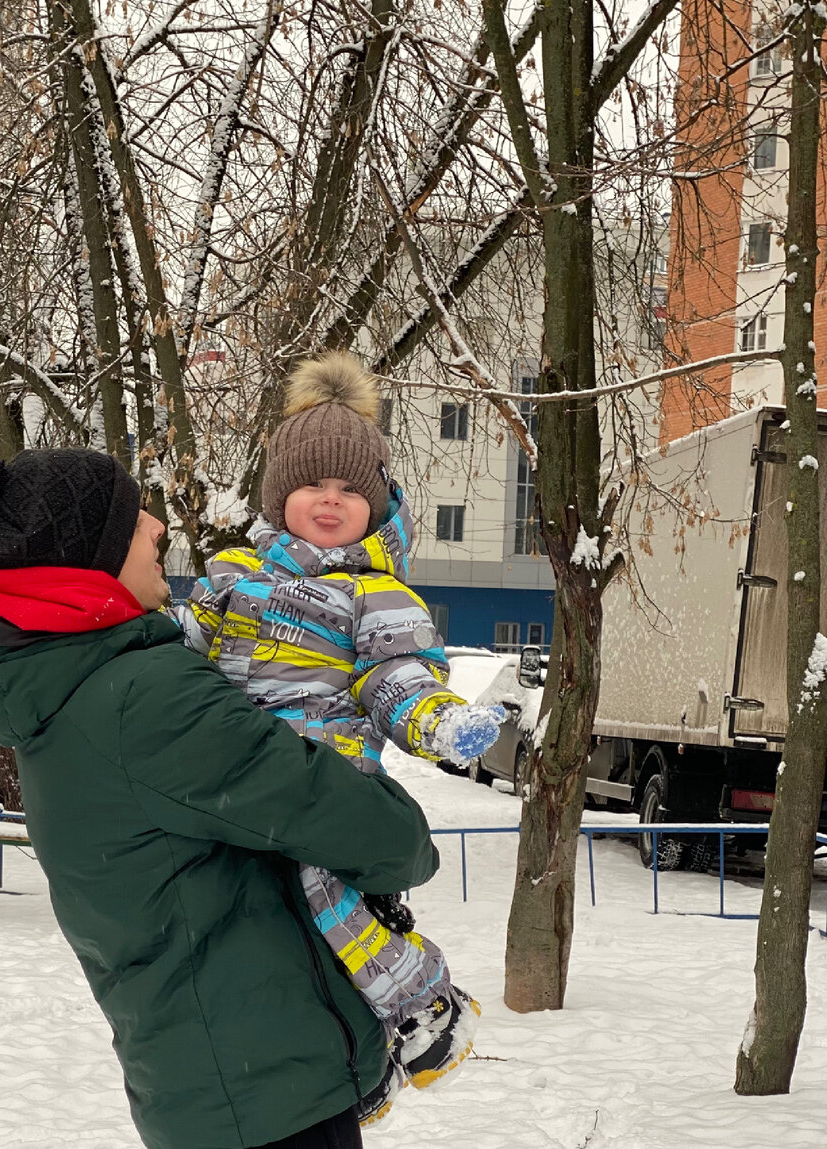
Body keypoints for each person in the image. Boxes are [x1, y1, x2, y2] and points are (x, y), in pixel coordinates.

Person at [0, 443, 440, 1149]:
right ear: (89, 555)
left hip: (205, 1082)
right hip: (265, 1097)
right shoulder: (141, 699)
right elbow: (371, 830)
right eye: (131, 516)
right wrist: (407, 832)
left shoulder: (59, 686)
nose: (156, 526)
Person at [173, 352, 506, 1125]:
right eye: (313, 484)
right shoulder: (228, 575)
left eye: (351, 488)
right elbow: (179, 666)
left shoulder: (375, 593)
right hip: (230, 778)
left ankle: (422, 1004)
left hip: (322, 779)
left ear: (377, 501)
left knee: (323, 890)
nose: (330, 500)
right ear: (278, 493)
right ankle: (353, 1069)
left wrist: (436, 718)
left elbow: (397, 677)